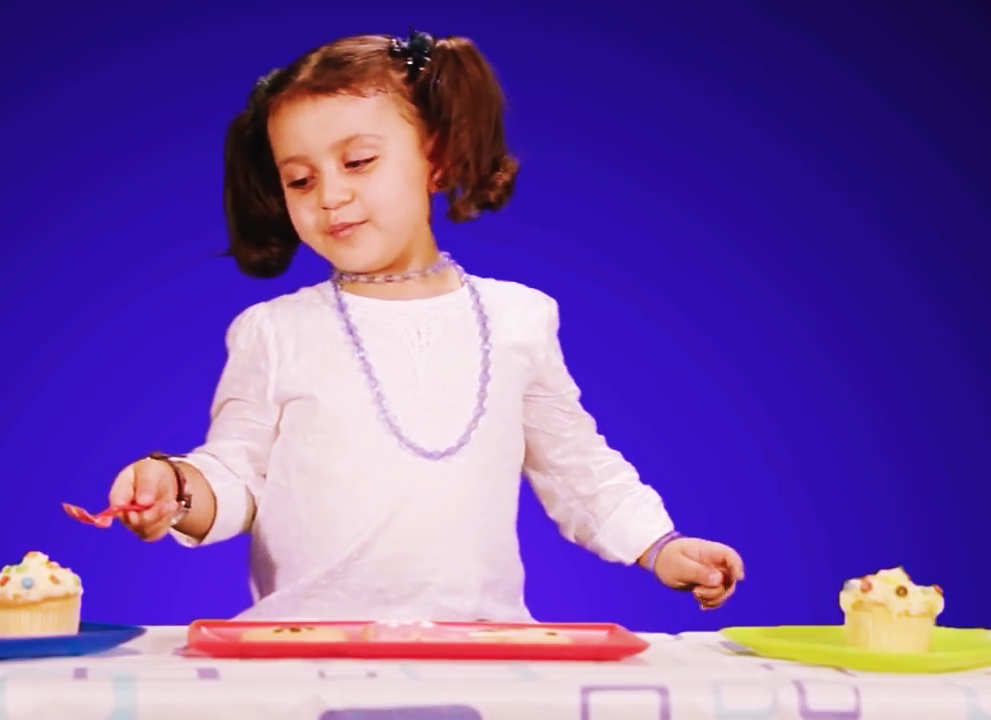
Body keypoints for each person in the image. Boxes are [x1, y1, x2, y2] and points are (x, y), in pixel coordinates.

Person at [107, 30, 744, 622]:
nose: (330, 195)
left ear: (434, 159)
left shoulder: (518, 319)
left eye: (359, 161)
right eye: (300, 179)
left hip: (477, 651)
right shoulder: (274, 332)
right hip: (305, 652)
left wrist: (659, 545)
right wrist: (177, 490)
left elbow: (577, 469)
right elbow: (238, 477)